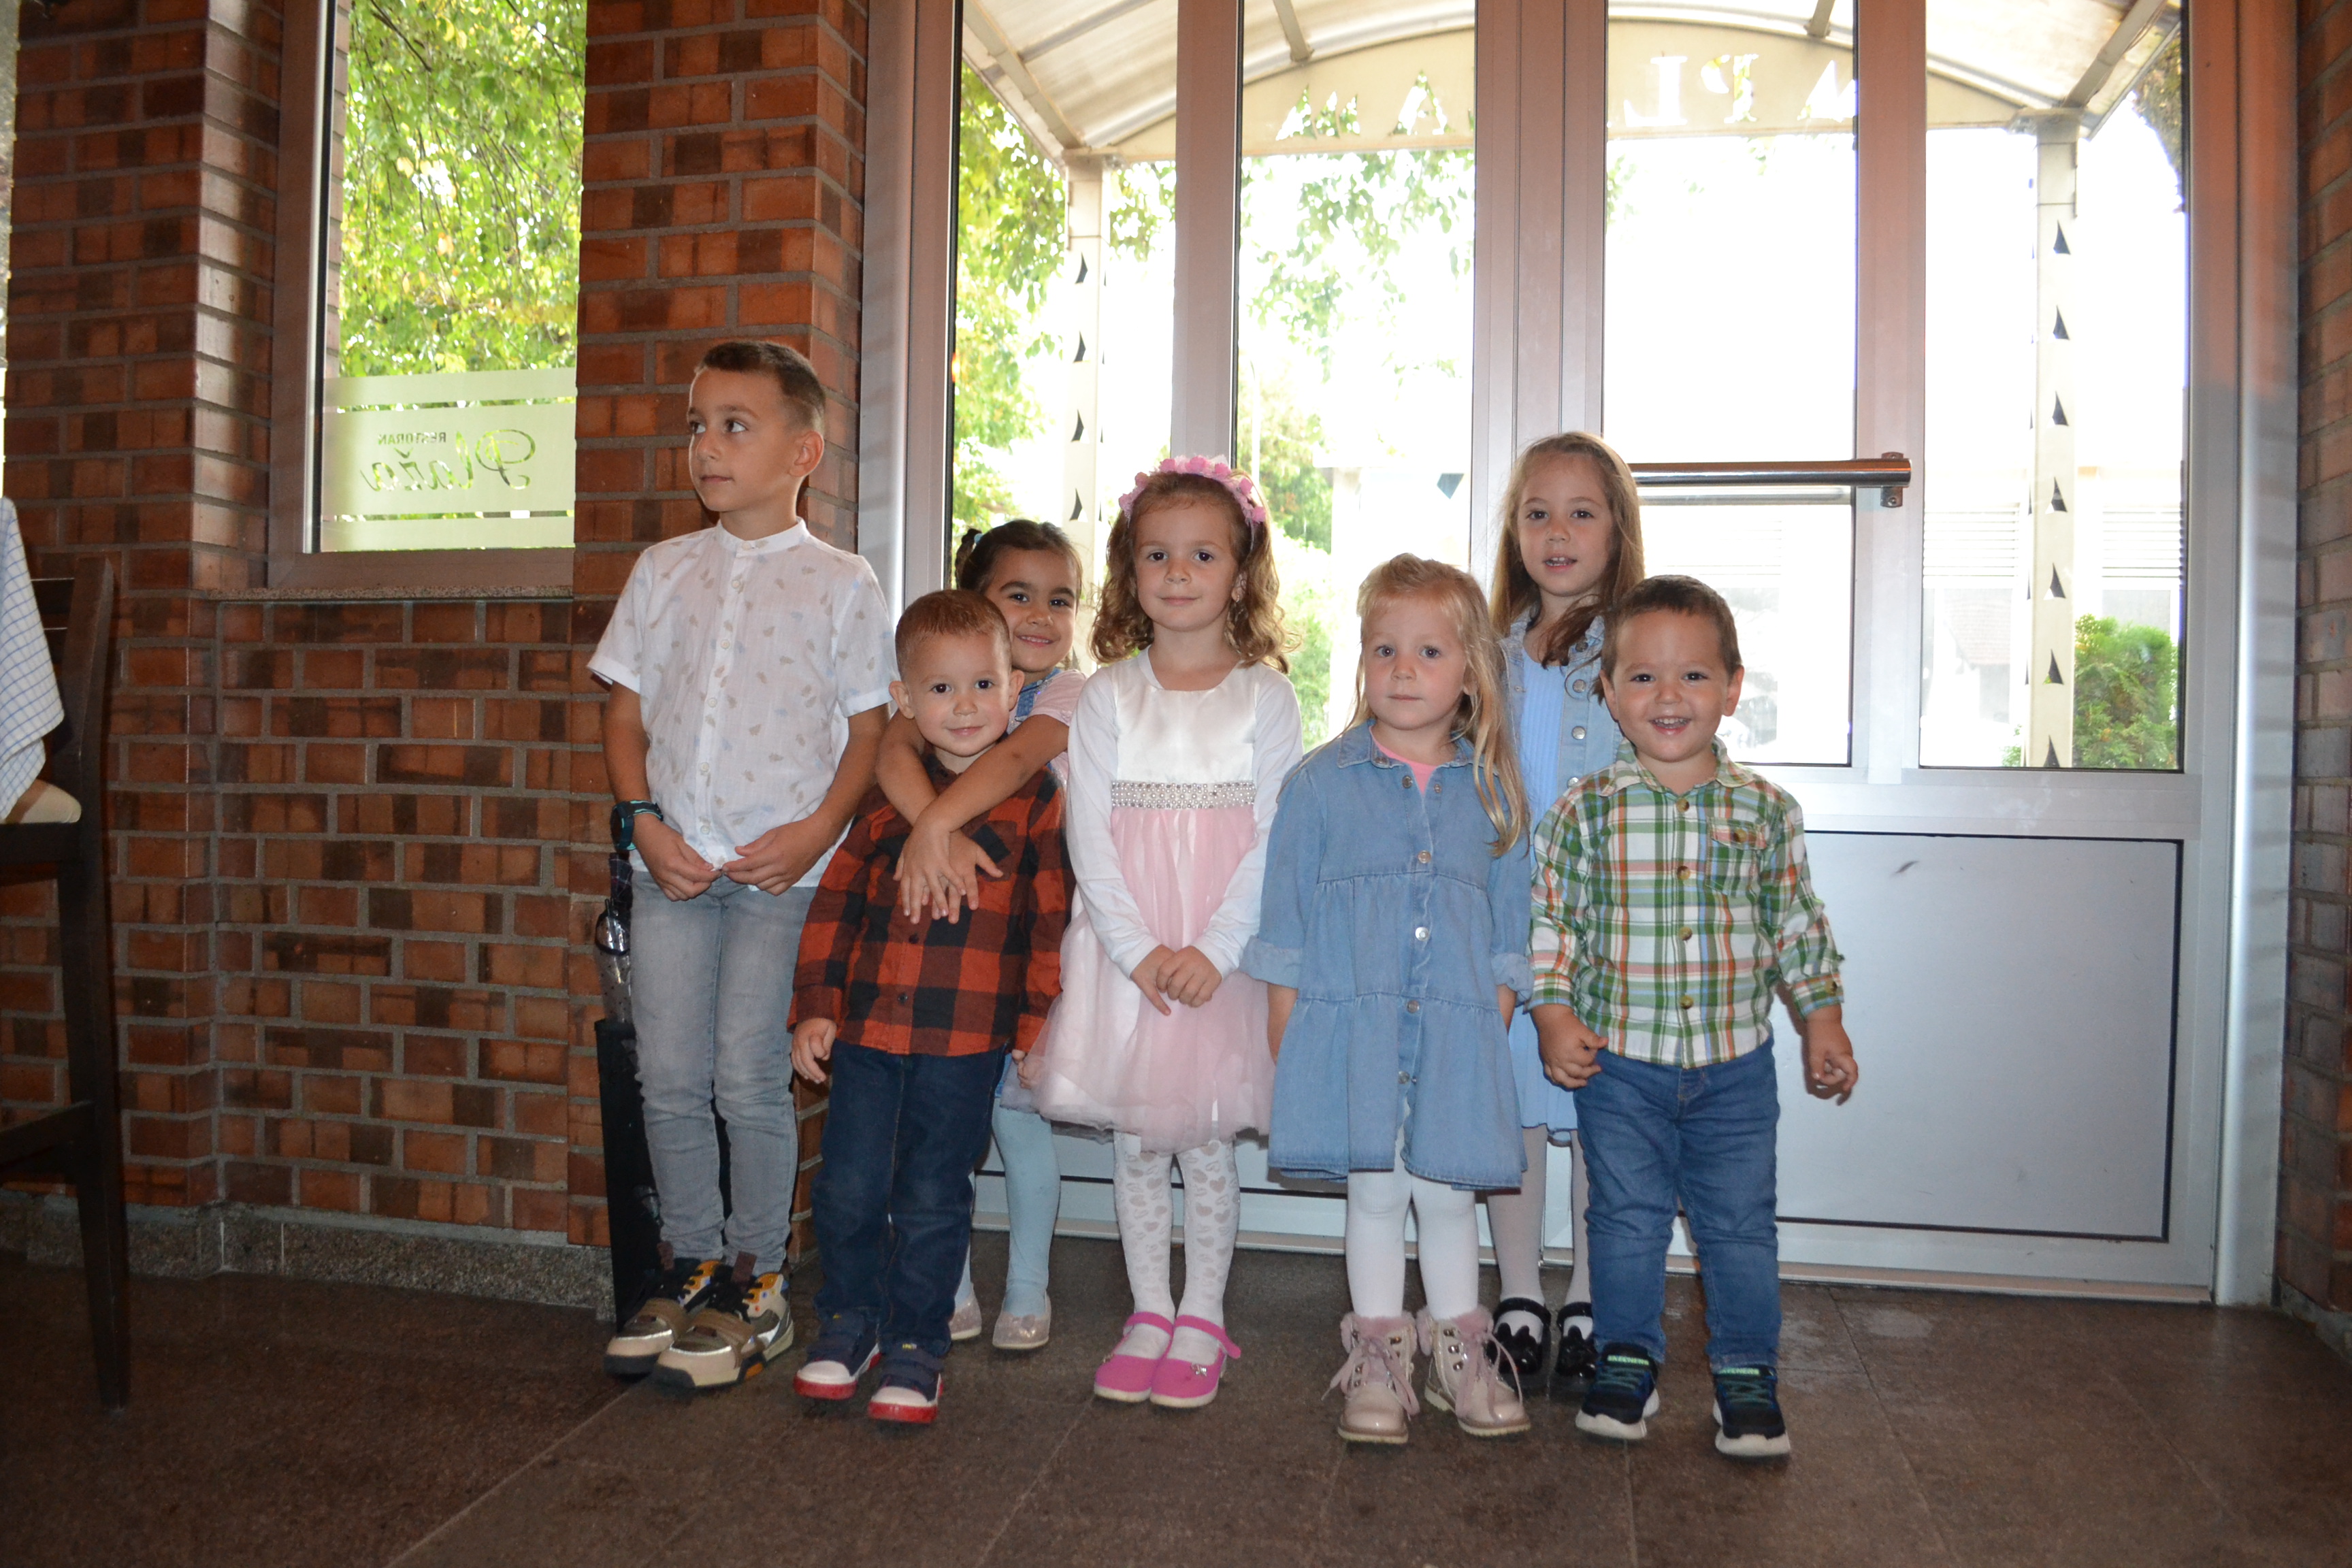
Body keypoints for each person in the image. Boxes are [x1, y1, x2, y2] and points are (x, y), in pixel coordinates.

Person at [592, 340, 894, 1392]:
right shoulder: (663, 570)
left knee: (745, 1076)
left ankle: (759, 1280)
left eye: (735, 425)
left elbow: (868, 733)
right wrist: (641, 823)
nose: (706, 447)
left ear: (802, 451)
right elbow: (624, 714)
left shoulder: (843, 583)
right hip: (672, 867)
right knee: (669, 1077)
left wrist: (816, 834)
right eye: (696, 426)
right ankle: (691, 1263)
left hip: (782, 878)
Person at [1531, 574, 1859, 1460]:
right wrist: (1552, 1012)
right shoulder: (1584, 812)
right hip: (1621, 1069)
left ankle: (1747, 1373)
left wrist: (1822, 1019)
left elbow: (1797, 924)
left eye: (1694, 676)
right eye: (1642, 677)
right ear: (1610, 693)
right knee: (1625, 1220)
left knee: (1739, 1226)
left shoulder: (1765, 812)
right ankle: (1625, 1359)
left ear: (1733, 687)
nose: (1668, 696)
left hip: (1733, 1073)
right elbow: (1553, 923)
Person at [1026, 455, 1304, 1411]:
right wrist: (1137, 950)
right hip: (1128, 952)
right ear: (1130, 571)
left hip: (1219, 955)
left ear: (1242, 571)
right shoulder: (1106, 696)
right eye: (1157, 555)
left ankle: (1204, 1316)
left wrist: (1215, 951)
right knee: (1138, 1146)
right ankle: (1149, 1311)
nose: (1178, 573)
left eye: (1202, 555)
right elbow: (1090, 837)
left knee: (1207, 1143)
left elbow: (1274, 838)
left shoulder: (1267, 697)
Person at [1250, 556, 1534, 1443]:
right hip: (1354, 1035)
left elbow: (1509, 932)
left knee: (1449, 1198)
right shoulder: (1317, 785)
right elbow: (1285, 923)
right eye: (1385, 650)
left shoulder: (1493, 794)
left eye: (1429, 652)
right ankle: (1377, 1360)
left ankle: (1459, 1354)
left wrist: (1491, 1023)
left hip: (1456, 1039)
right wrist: (1290, 1032)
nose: (1403, 670)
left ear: (1471, 674)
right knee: (1374, 1195)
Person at [787, 590, 1073, 1423]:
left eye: (983, 686)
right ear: (905, 700)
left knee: (933, 1196)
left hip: (965, 1041)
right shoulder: (887, 799)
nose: (966, 706)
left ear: (1013, 690)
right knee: (847, 1187)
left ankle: (918, 1342)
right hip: (870, 1033)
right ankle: (850, 1322)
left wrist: (1036, 1027)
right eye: (941, 690)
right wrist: (816, 1007)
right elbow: (836, 906)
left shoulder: (1036, 797)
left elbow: (1048, 921)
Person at [872, 519, 1087, 1352]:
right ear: (975, 602)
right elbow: (892, 749)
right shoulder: (939, 690)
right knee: (939, 1136)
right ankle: (946, 1285)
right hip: (946, 952)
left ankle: (1028, 1287)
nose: (1040, 615)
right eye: (1017, 595)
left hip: (1029, 939)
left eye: (1060, 599)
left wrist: (935, 824)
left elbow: (1017, 762)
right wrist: (934, 831)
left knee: (1020, 1127)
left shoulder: (1067, 694)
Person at [1482, 431, 1648, 1393]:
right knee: (1506, 1109)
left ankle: (1589, 1295)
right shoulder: (1489, 653)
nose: (1557, 533)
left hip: (1603, 929)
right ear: (1514, 530)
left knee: (1597, 1115)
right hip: (1507, 922)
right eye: (1537, 513)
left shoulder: (1636, 650)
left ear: (1617, 529)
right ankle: (1518, 1293)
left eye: (1581, 513)